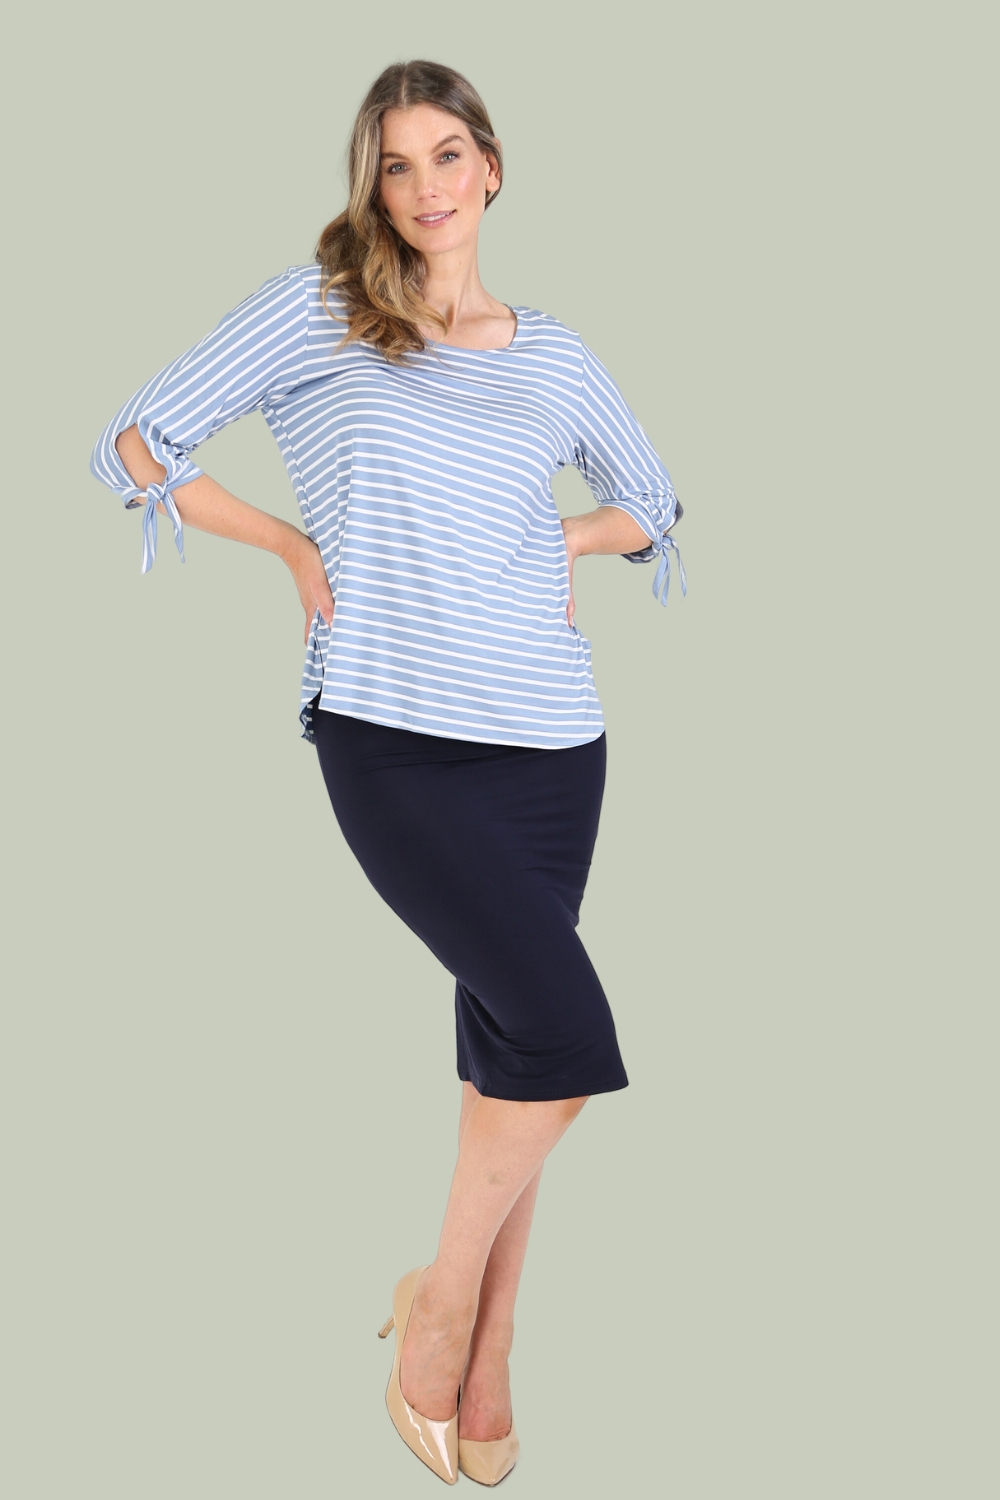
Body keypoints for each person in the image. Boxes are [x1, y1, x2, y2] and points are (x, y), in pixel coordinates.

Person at [90, 58, 685, 1487]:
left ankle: (489, 1354)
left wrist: (566, 537)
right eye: (396, 163)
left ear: (492, 166)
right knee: (561, 1037)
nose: (426, 185)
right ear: (373, 185)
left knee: (514, 1050)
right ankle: (441, 1304)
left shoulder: (554, 354)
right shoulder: (320, 314)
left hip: (553, 748)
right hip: (392, 736)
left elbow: (655, 503)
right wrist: (290, 546)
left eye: (447, 154)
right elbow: (133, 441)